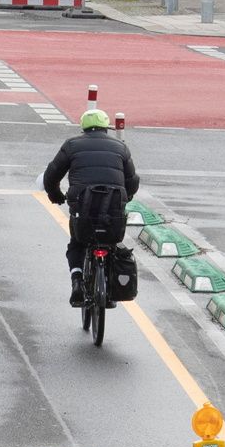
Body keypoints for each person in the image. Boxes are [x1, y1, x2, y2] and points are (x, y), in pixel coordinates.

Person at [42, 110, 139, 306]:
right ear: (106, 128)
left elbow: (51, 176)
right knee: (110, 244)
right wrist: (125, 197)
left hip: (82, 207)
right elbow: (132, 180)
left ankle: (77, 280)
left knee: (77, 243)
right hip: (113, 209)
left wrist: (56, 196)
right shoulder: (121, 147)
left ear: (83, 128)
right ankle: (109, 292)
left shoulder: (72, 145)